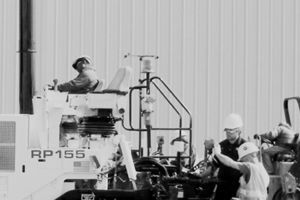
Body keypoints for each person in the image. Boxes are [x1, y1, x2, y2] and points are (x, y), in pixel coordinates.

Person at [208, 113, 247, 200]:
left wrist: (242, 187)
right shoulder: (222, 145)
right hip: (222, 186)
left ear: (239, 131)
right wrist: (201, 177)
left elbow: (248, 169)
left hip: (238, 187)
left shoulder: (245, 147)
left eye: (231, 131)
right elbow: (214, 164)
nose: (228, 133)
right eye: (226, 131)